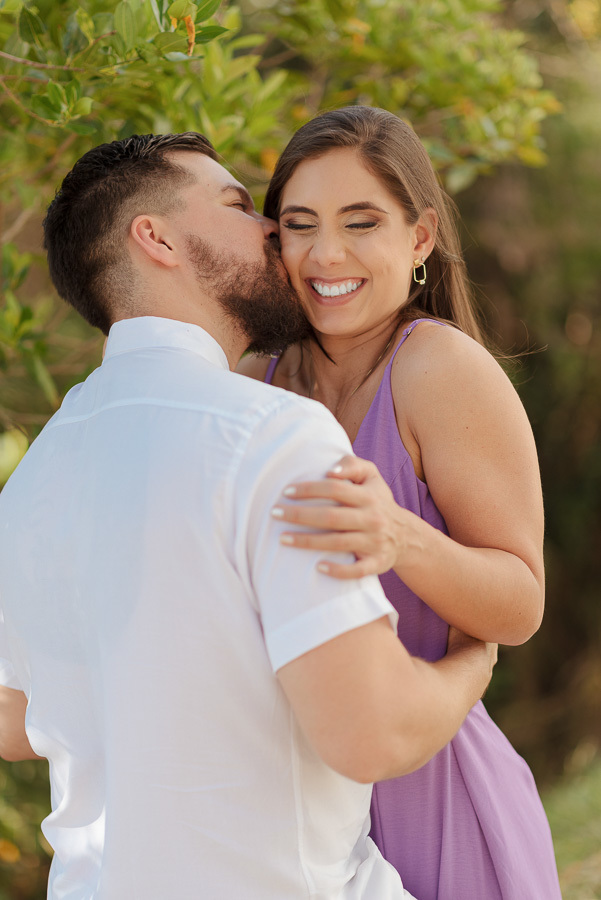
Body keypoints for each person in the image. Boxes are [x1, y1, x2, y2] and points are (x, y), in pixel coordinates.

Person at [0, 132, 496, 899]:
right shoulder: (268, 436)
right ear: (155, 238)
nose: (271, 227)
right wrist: (471, 664)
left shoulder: (36, 476)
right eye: (236, 205)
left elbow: (10, 722)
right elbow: (370, 731)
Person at [238, 106, 561, 899]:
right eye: (299, 224)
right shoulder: (252, 383)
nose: (326, 255)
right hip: (287, 809)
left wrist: (400, 539)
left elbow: (518, 605)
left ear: (417, 238)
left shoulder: (438, 371)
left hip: (430, 792)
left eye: (360, 223)